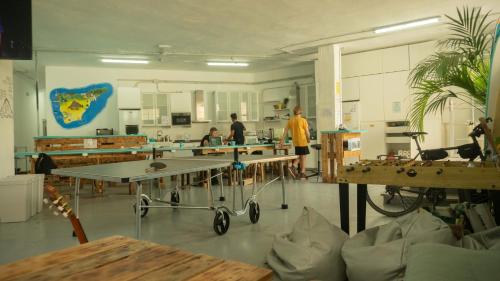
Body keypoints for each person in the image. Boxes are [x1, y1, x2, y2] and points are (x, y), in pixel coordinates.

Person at [280, 106, 310, 179]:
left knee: (301, 156)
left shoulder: (290, 121)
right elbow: (307, 132)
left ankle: (302, 172)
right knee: (303, 157)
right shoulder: (303, 120)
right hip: (302, 141)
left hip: (296, 142)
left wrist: (282, 141)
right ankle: (293, 167)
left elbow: (285, 132)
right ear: (301, 112)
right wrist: (308, 139)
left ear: (294, 113)